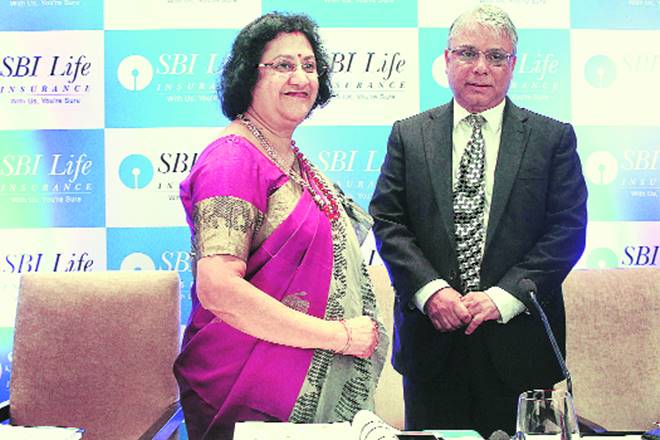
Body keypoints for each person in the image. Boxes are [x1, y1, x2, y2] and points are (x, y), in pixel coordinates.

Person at [369, 5, 587, 436]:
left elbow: (567, 230)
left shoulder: (552, 138)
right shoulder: (409, 135)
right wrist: (431, 292)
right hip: (432, 349)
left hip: (520, 349)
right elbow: (388, 221)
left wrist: (501, 298)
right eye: (467, 53)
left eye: (496, 56)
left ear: (513, 64)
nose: (481, 67)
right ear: (447, 59)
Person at [173, 12, 387, 440]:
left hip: (292, 386)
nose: (301, 78)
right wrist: (339, 336)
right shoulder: (233, 160)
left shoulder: (289, 157)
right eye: (283, 65)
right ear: (247, 75)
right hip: (247, 395)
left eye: (309, 66)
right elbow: (219, 288)